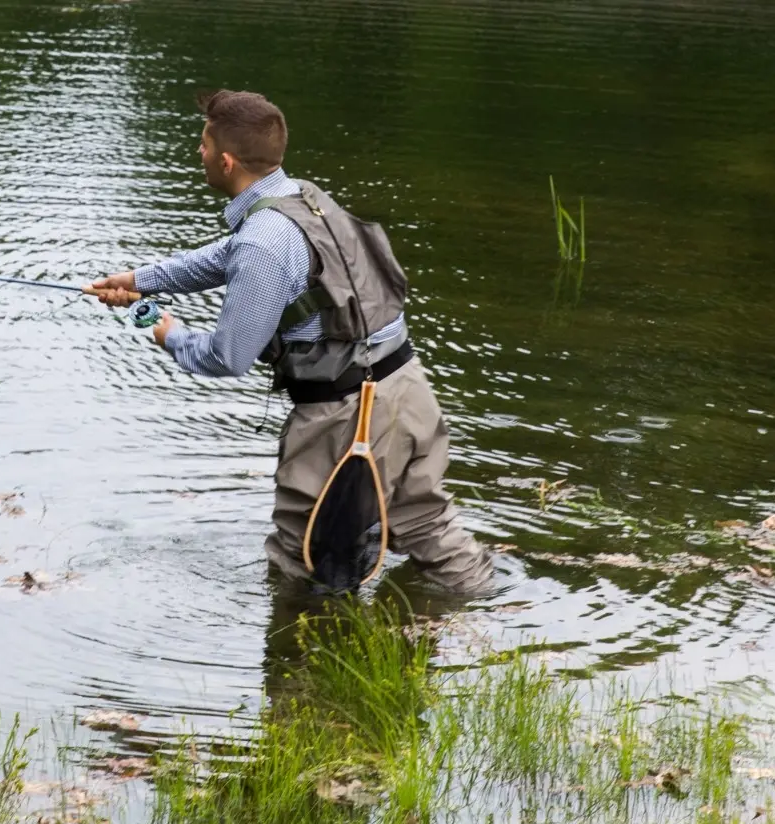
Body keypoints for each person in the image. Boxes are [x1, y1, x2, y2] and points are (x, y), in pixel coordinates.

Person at [85, 90, 495, 596]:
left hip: (346, 414)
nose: (199, 153)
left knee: (301, 557)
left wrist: (165, 332)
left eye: (204, 144)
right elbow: (228, 254)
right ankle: (490, 613)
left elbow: (227, 357)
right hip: (406, 387)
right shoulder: (302, 197)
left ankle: (297, 669)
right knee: (425, 521)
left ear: (227, 159)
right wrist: (143, 278)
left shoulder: (264, 241)